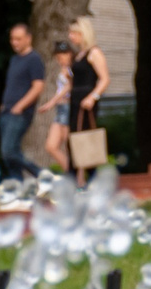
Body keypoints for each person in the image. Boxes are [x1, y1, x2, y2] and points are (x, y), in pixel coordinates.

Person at [64, 17, 109, 183]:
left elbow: (104, 79)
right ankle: (80, 179)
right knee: (74, 141)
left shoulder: (94, 53)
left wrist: (92, 97)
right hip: (75, 100)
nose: (70, 36)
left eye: (74, 33)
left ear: (83, 33)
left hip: (86, 101)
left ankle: (85, 179)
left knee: (85, 140)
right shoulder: (78, 55)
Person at [0, 23, 45, 181]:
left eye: (18, 39)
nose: (14, 42)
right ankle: (17, 187)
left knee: (9, 151)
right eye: (12, 39)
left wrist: (20, 106)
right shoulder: (14, 59)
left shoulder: (34, 59)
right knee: (8, 156)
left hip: (20, 113)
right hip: (6, 111)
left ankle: (42, 175)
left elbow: (38, 87)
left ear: (28, 38)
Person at [40, 42, 74, 173]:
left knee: (69, 145)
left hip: (67, 107)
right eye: (58, 57)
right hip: (60, 109)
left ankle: (78, 177)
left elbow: (68, 87)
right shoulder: (63, 69)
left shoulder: (71, 69)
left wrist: (52, 102)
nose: (60, 60)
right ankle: (70, 172)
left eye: (62, 56)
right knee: (51, 146)